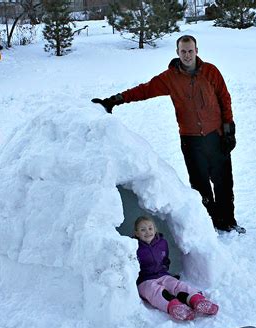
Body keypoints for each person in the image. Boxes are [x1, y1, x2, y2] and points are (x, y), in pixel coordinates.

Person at [92, 35, 245, 234]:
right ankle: (209, 225)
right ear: (177, 53)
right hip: (191, 140)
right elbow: (144, 90)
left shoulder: (211, 72)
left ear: (197, 51)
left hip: (216, 136)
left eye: (190, 51)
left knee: (224, 181)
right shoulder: (170, 77)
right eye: (183, 51)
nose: (187, 55)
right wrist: (115, 100)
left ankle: (227, 222)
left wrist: (228, 129)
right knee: (200, 186)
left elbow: (224, 99)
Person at [133, 216, 219, 321]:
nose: (147, 232)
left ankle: (197, 299)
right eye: (143, 230)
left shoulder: (162, 243)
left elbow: (165, 258)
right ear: (137, 233)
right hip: (144, 280)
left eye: (150, 228)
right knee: (154, 291)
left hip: (162, 274)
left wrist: (165, 268)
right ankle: (174, 306)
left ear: (155, 230)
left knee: (176, 285)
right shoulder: (134, 247)